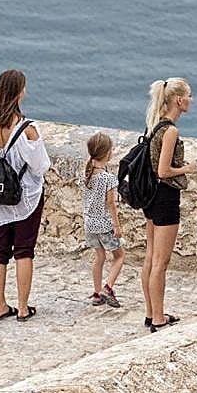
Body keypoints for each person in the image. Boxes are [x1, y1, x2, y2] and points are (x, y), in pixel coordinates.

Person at [0, 69, 51, 322]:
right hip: (26, 197)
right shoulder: (27, 129)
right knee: (24, 250)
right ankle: (24, 308)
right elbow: (41, 166)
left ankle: (0, 306)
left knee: (0, 250)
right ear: (19, 93)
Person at [141, 78, 197, 331]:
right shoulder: (171, 131)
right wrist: (188, 168)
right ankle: (158, 318)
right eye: (189, 95)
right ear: (178, 99)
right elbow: (163, 171)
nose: (191, 100)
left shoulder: (155, 125)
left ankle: (151, 312)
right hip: (166, 197)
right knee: (160, 263)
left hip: (152, 197)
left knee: (151, 257)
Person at [83, 132, 125, 308]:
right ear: (107, 153)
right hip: (104, 225)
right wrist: (117, 225)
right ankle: (108, 288)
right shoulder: (108, 178)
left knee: (99, 257)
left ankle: (96, 293)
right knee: (119, 256)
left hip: (89, 224)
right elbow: (111, 204)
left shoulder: (86, 175)